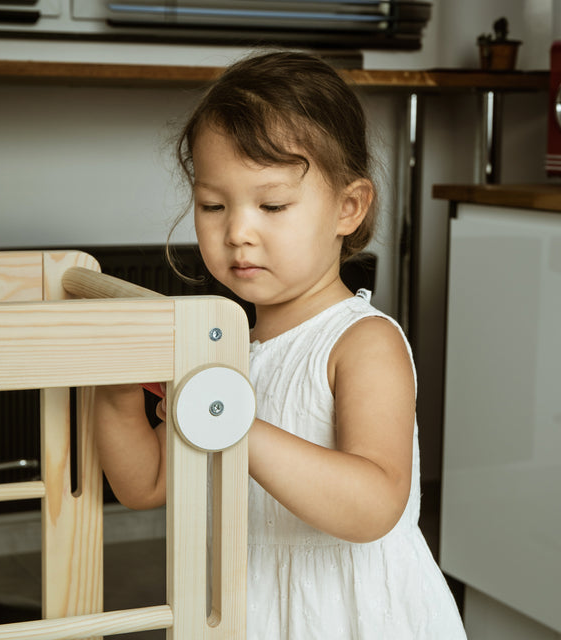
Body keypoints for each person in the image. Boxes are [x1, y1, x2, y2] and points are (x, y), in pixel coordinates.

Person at [94, 51, 467, 639]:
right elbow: (147, 485)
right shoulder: (222, 347)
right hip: (249, 606)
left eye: (272, 206)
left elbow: (374, 505)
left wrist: (235, 424)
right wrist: (114, 396)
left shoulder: (363, 343)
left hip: (345, 614)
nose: (238, 231)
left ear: (349, 207)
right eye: (213, 205)